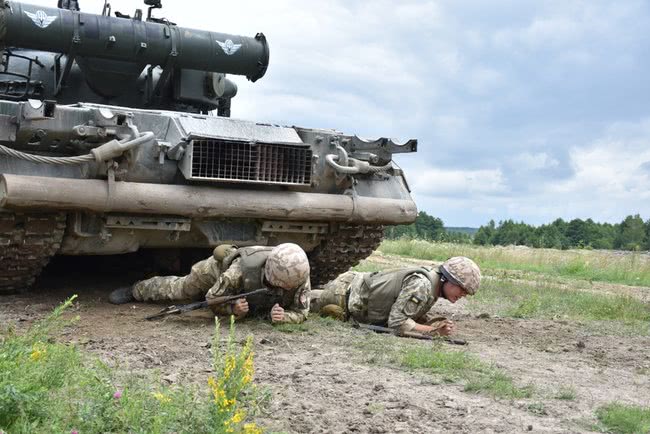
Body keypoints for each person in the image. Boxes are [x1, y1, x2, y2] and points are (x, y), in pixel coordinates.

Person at [109, 243, 311, 324]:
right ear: (273, 277)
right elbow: (212, 300)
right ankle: (137, 290)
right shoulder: (237, 272)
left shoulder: (297, 274)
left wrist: (285, 317)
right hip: (215, 271)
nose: (291, 290)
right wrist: (233, 309)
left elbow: (302, 312)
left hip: (242, 286)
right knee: (182, 290)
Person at [311, 257, 481, 336]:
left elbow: (406, 312)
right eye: (462, 289)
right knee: (303, 302)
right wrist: (433, 331)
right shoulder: (423, 285)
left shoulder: (433, 286)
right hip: (342, 295)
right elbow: (397, 323)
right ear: (448, 280)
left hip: (351, 292)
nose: (463, 295)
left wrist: (429, 322)